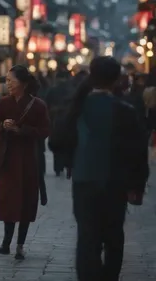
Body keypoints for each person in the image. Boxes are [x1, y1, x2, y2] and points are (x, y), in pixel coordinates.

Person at [50, 57, 149, 281]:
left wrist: (71, 159)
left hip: (84, 179)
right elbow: (138, 151)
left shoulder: (75, 106)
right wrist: (137, 184)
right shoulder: (125, 110)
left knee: (87, 235)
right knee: (113, 234)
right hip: (116, 181)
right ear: (116, 80)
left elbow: (56, 141)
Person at [0, 65, 50, 260]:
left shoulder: (38, 105)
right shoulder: (3, 103)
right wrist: (2, 126)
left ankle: (20, 244)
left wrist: (22, 130)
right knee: (8, 199)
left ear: (23, 84)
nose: (7, 84)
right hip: (8, 158)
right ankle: (6, 241)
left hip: (29, 158)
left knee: (27, 200)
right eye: (6, 80)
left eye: (10, 81)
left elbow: (45, 130)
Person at [45, 70, 74, 176]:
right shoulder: (72, 90)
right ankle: (68, 166)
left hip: (55, 121)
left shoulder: (52, 90)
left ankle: (58, 167)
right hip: (69, 121)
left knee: (56, 144)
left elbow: (46, 104)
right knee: (68, 144)